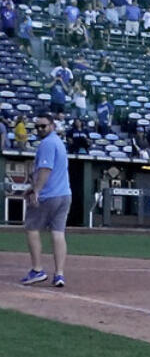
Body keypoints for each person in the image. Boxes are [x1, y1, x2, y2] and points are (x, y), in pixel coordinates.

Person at [21, 114, 71, 287]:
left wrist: (36, 190)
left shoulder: (47, 143)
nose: (40, 129)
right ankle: (59, 274)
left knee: (31, 228)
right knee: (58, 233)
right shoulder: (58, 142)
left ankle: (37, 270)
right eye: (38, 127)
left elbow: (45, 169)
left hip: (49, 195)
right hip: (64, 194)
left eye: (44, 126)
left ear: (52, 125)